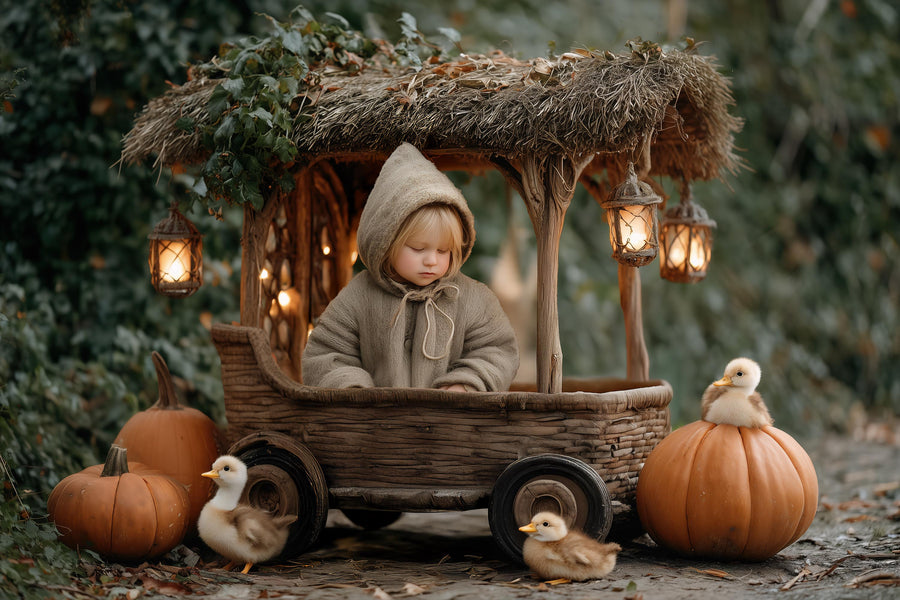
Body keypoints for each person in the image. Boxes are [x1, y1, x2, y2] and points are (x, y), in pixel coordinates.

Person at [301, 143, 519, 391]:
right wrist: (353, 390)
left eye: (443, 251)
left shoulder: (473, 299)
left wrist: (465, 384)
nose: (431, 260)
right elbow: (326, 354)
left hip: (451, 424)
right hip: (375, 425)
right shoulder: (359, 295)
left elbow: (497, 351)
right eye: (417, 248)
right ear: (386, 242)